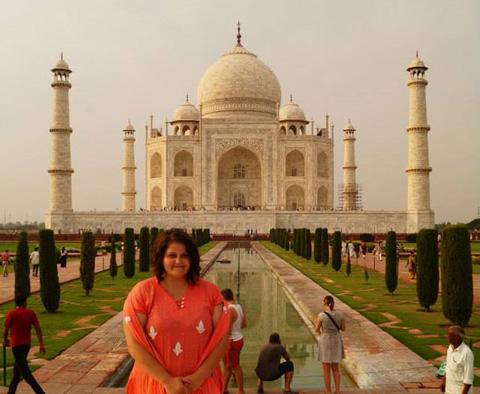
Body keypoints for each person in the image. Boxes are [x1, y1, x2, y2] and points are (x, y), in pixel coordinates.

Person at [123, 229, 230, 394]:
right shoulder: (143, 292)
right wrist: (166, 381)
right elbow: (134, 343)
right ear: (161, 258)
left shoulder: (211, 293)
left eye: (185, 256)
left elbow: (222, 340)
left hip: (201, 385)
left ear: (192, 259)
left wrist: (197, 379)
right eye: (172, 255)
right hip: (154, 384)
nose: (179, 261)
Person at [3, 295, 46, 394]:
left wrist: (5, 340)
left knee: (26, 374)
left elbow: (6, 330)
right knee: (17, 372)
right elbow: (38, 329)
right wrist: (41, 344)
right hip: (26, 345)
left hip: (16, 345)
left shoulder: (12, 314)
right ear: (24, 302)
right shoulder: (30, 313)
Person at [314, 295, 346, 394]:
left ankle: (328, 391)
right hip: (336, 339)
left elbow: (316, 330)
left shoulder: (321, 315)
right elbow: (343, 329)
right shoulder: (340, 314)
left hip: (326, 340)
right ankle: (337, 391)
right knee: (335, 367)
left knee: (326, 368)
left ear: (325, 303)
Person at [221, 288, 247, 394]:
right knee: (228, 366)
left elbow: (227, 330)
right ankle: (223, 389)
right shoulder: (238, 307)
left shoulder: (230, 310)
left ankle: (240, 390)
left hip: (231, 341)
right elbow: (244, 324)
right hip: (238, 338)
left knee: (235, 366)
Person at [441, 325, 474, 394]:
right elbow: (448, 367)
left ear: (458, 337)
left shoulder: (467, 353)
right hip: (449, 390)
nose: (448, 337)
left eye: (451, 335)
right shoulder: (450, 348)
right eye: (448, 335)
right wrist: (443, 382)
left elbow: (468, 379)